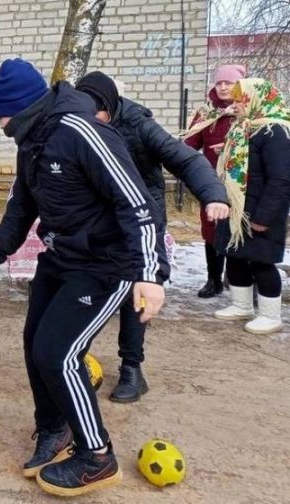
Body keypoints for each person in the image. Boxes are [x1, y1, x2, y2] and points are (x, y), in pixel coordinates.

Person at [0, 58, 166, 497]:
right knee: (35, 343)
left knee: (59, 353)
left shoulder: (81, 133)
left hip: (105, 264)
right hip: (61, 258)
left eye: (1, 113)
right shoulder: (33, 142)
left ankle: (96, 457)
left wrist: (150, 275)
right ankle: (54, 429)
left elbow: (138, 204)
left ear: (22, 109)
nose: (0, 123)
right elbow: (22, 205)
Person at [75, 72, 230, 403]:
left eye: (95, 112)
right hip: (101, 223)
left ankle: (132, 368)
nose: (89, 119)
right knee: (87, 288)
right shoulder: (81, 125)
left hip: (142, 222)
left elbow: (188, 160)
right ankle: (76, 360)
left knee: (138, 292)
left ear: (111, 106)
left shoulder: (139, 124)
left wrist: (213, 194)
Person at [207, 78, 290, 334]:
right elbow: (247, 163)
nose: (236, 104)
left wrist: (264, 217)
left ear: (257, 99)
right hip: (238, 207)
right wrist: (227, 152)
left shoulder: (275, 131)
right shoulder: (245, 128)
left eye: (240, 99)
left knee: (262, 262)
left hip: (261, 210)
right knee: (235, 256)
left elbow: (281, 178)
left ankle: (270, 315)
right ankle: (241, 305)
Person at [185, 64, 247, 298]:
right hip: (212, 181)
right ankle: (213, 279)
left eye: (228, 83)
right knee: (211, 228)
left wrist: (232, 148)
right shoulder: (207, 113)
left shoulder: (248, 111)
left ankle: (239, 278)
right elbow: (190, 144)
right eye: (219, 83)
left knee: (239, 228)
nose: (222, 87)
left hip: (242, 182)